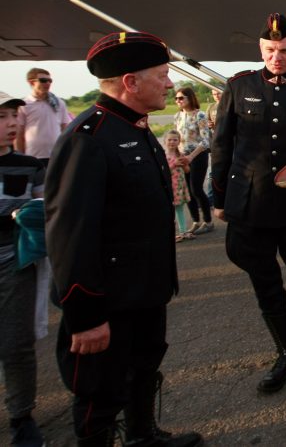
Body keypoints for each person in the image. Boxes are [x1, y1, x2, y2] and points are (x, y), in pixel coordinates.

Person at [45, 32, 201, 446]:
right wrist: (85, 316)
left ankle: (143, 436)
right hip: (109, 301)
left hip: (144, 291)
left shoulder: (133, 128)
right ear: (130, 82)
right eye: (163, 75)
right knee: (101, 392)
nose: (169, 84)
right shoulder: (88, 139)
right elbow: (69, 234)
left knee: (144, 369)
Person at [211, 13, 286, 393]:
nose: (275, 57)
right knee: (265, 283)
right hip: (251, 204)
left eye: (283, 50)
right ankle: (285, 356)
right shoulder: (237, 86)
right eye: (269, 50)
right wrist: (218, 198)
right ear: (261, 50)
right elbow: (222, 146)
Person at [0, 91, 46, 447]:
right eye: (2, 117)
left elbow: (44, 209)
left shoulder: (30, 166)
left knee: (17, 344)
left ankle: (21, 416)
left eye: (13, 115)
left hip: (16, 262)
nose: (13, 123)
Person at [173, 86, 213, 235]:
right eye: (176, 98)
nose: (178, 101)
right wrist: (176, 155)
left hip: (197, 155)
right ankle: (196, 221)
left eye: (181, 98)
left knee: (196, 188)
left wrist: (191, 156)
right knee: (187, 191)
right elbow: (176, 138)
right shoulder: (178, 116)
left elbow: (205, 141)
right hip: (182, 157)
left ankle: (208, 221)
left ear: (190, 98)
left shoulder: (200, 115)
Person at [14, 67, 72, 165]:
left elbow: (65, 129)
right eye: (43, 80)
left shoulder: (59, 103)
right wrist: (20, 157)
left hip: (56, 154)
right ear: (32, 83)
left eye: (50, 81)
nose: (48, 83)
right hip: (32, 156)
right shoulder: (24, 104)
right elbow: (19, 134)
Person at [163, 130, 192, 242]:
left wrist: (185, 165)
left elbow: (187, 170)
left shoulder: (180, 155)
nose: (172, 142)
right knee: (170, 211)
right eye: (169, 139)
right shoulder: (163, 155)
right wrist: (174, 164)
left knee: (180, 209)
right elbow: (163, 171)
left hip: (180, 186)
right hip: (170, 187)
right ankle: (172, 233)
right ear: (165, 141)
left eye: (175, 139)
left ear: (179, 141)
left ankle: (183, 231)